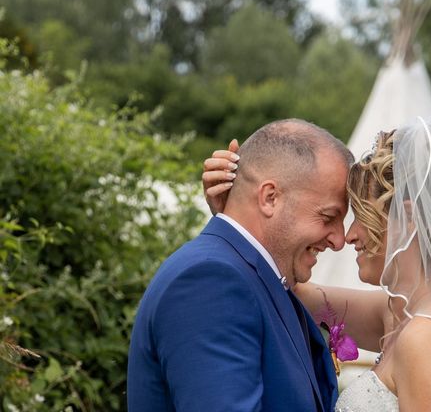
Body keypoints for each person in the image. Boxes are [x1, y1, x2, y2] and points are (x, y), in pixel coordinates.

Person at [204, 114, 431, 411]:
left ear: (407, 220)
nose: (349, 236)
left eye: (360, 216)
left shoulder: (429, 340)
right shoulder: (400, 315)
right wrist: (241, 215)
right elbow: (292, 290)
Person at [128, 118, 353, 411]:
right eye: (327, 217)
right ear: (270, 197)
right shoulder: (210, 282)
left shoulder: (253, 277)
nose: (339, 240)